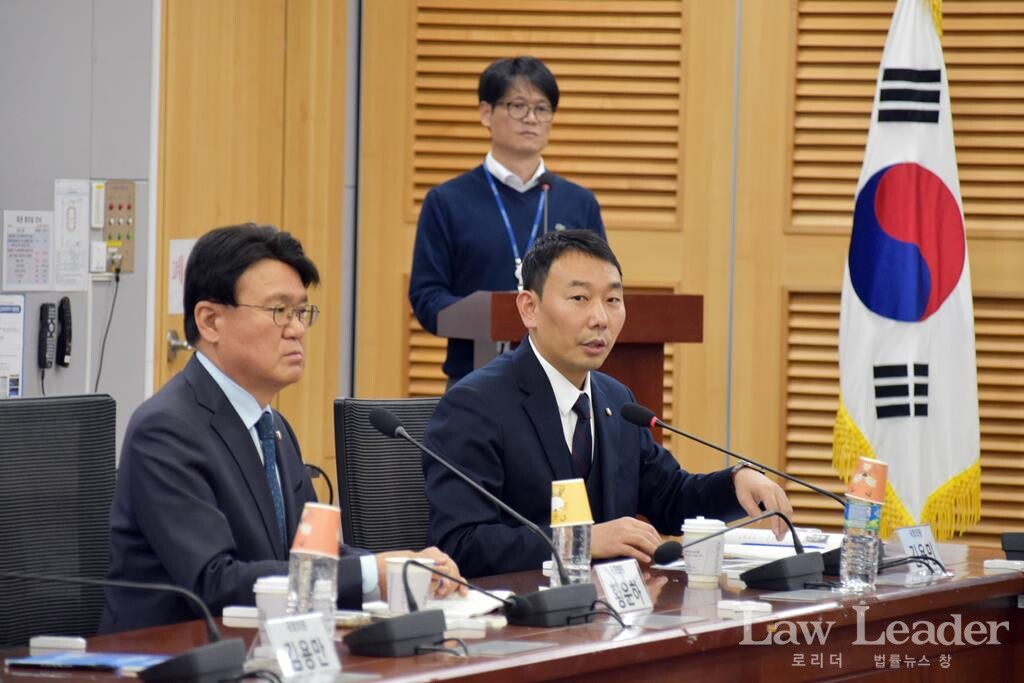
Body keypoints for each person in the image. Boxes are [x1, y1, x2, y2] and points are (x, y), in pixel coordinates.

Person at [101, 224, 462, 633]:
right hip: (170, 658)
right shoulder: (166, 430)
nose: (297, 329)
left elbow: (310, 555)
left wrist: (401, 567)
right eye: (278, 311)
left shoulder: (271, 425)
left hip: (265, 647)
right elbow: (213, 581)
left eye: (301, 311)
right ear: (210, 321)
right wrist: (368, 572)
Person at [422, 230, 793, 578]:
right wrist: (583, 542)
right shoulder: (475, 405)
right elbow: (462, 543)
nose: (600, 318)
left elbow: (670, 497)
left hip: (608, 614)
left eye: (613, 300)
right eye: (580, 298)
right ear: (529, 308)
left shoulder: (616, 400)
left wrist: (735, 482)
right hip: (520, 624)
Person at [409, 56, 605, 385]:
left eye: (542, 109)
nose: (531, 119)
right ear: (486, 113)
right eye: (518, 106)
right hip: (475, 380)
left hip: (563, 381)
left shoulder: (578, 203)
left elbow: (599, 291)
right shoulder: (447, 201)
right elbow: (427, 298)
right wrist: (494, 315)